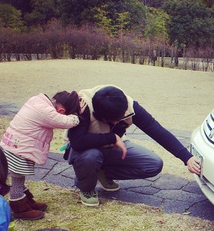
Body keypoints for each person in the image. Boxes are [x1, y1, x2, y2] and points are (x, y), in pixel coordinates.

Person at [65, 85, 201, 206]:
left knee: (153, 164)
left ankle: (103, 172)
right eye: (115, 120)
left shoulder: (126, 105)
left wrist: (186, 157)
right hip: (85, 150)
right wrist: (112, 137)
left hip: (112, 148)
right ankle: (87, 188)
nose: (122, 118)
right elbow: (78, 143)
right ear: (101, 117)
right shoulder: (83, 106)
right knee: (91, 156)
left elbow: (155, 129)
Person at [0, 91, 80, 220]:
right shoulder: (46, 112)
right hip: (20, 149)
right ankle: (19, 208)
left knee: (19, 177)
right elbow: (64, 122)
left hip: (14, 145)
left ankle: (25, 201)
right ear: (61, 110)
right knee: (18, 179)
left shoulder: (37, 101)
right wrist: (75, 118)